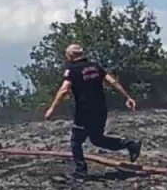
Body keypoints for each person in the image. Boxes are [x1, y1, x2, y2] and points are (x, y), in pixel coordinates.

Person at [44, 43, 142, 177]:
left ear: (71, 55)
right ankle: (131, 144)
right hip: (101, 109)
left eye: (67, 55)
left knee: (76, 141)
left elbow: (64, 90)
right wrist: (127, 97)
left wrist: (52, 109)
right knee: (97, 139)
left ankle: (81, 171)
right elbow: (112, 81)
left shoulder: (72, 69)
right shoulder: (95, 66)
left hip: (84, 111)